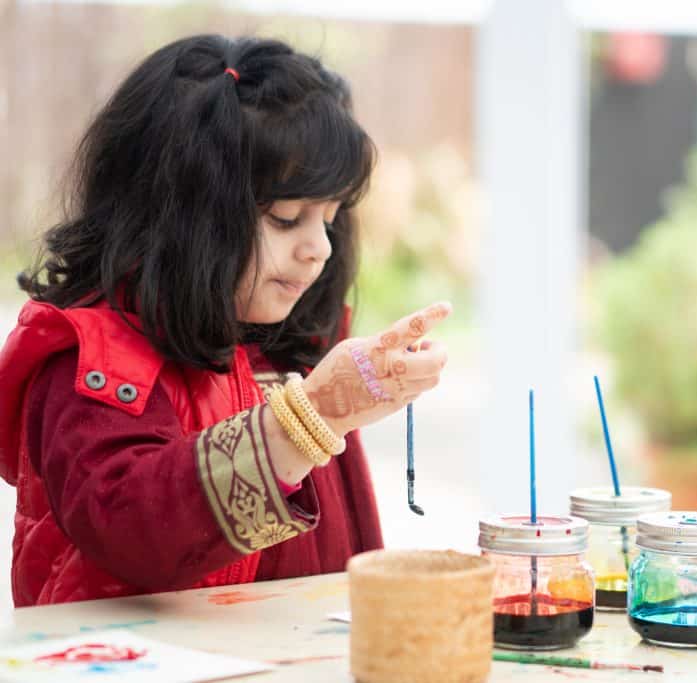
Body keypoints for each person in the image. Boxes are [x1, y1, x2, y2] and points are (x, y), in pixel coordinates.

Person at [0, 34, 451, 607]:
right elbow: (128, 526)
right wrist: (311, 417)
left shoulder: (285, 352)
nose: (320, 248)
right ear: (183, 215)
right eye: (287, 218)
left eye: (331, 221)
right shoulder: (91, 359)